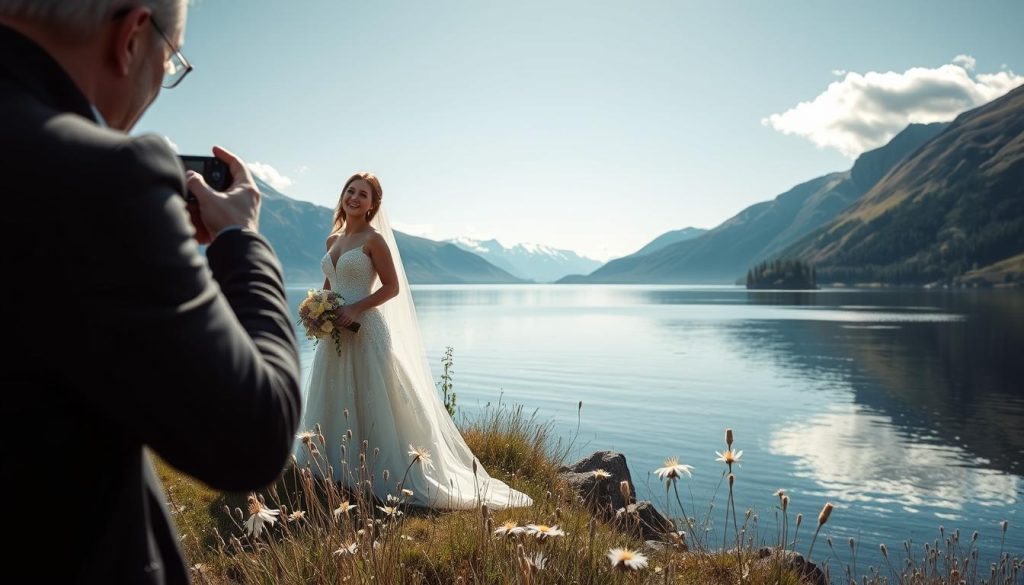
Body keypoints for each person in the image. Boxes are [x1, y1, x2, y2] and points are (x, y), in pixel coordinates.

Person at [0, 1, 301, 583]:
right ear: (133, 36)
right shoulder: (97, 181)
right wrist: (240, 239)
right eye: (169, 63)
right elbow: (253, 437)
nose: (159, 85)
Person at [295, 173, 532, 510]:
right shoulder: (332, 239)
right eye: (350, 191)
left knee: (375, 396)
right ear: (343, 196)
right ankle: (334, 466)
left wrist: (355, 309)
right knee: (335, 392)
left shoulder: (374, 240)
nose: (354, 198)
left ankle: (380, 467)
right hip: (335, 332)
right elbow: (330, 283)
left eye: (363, 194)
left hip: (365, 330)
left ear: (373, 204)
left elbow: (391, 287)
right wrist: (319, 309)